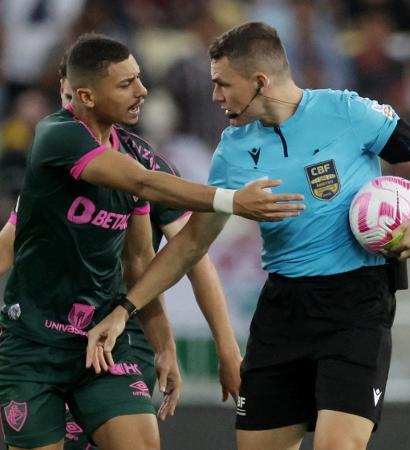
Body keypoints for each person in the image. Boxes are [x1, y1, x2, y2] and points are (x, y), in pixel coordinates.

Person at [86, 22, 410, 450]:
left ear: (260, 81)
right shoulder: (232, 150)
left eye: (223, 85)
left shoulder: (349, 113)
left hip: (357, 305)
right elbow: (190, 243)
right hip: (283, 308)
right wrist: (126, 308)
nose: (216, 97)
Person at [0, 32, 302, 450]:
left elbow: (170, 258)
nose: (142, 91)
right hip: (34, 342)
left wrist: (188, 347)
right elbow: (11, 242)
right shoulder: (56, 138)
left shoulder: (144, 157)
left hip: (104, 340)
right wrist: (232, 200)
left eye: (139, 78)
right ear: (84, 95)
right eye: (126, 84)